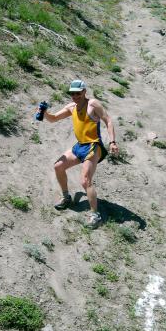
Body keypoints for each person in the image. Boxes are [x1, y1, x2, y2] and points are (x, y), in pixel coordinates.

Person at [42, 79, 119, 228]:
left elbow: (108, 120)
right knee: (58, 166)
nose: (75, 96)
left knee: (85, 181)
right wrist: (45, 113)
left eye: (77, 93)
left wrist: (112, 142)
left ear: (84, 92)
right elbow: (53, 119)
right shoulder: (71, 107)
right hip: (80, 146)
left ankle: (95, 215)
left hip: (93, 146)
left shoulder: (93, 104)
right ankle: (66, 198)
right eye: (72, 93)